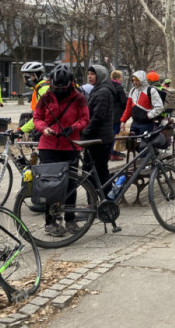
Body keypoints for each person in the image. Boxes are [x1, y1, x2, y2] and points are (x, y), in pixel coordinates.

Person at [33, 64, 89, 236]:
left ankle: (70, 219)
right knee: (50, 186)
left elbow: (85, 118)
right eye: (56, 87)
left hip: (70, 145)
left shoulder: (79, 98)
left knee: (70, 184)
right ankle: (51, 222)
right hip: (48, 146)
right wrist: (44, 128)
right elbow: (37, 117)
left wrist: (73, 128)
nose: (59, 91)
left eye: (62, 88)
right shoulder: (46, 97)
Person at [81, 65, 115, 193]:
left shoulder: (103, 91)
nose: (89, 76)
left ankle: (104, 201)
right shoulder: (99, 89)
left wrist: (85, 132)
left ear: (100, 75)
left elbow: (98, 117)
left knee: (97, 172)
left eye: (92, 74)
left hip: (99, 139)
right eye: (88, 73)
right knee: (96, 172)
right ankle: (101, 201)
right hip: (98, 138)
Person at [119, 70, 164, 135]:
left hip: (147, 125)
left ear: (142, 80)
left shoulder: (151, 91)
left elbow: (159, 107)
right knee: (132, 144)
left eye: (137, 80)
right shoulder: (132, 91)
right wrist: (123, 121)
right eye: (133, 80)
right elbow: (128, 108)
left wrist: (148, 115)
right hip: (134, 124)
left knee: (145, 144)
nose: (134, 82)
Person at [19, 61, 50, 137]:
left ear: (37, 76)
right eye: (24, 76)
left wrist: (21, 130)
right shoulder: (38, 88)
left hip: (46, 129)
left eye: (28, 76)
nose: (25, 79)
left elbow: (41, 116)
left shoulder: (43, 90)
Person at [109, 70, 127, 161]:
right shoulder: (119, 88)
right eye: (120, 78)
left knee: (109, 133)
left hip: (108, 113)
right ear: (117, 78)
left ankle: (109, 153)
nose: (121, 79)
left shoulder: (108, 86)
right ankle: (114, 153)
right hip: (117, 114)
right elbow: (124, 102)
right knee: (116, 134)